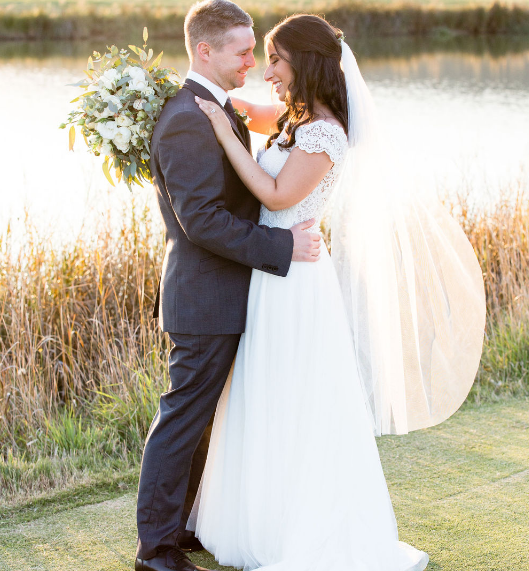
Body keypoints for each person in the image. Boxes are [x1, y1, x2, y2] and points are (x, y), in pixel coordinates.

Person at [191, 12, 485, 571]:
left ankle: (307, 529)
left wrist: (225, 137)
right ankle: (259, 519)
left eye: (275, 59)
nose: (268, 71)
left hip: (295, 282)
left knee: (295, 395)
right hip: (272, 270)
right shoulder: (294, 120)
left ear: (304, 61)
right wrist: (203, 98)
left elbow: (278, 196)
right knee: (263, 388)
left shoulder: (325, 131)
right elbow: (248, 111)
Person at [134, 2, 322, 570]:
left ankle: (184, 525)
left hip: (225, 296)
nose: (251, 61)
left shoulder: (213, 106)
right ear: (204, 51)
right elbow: (203, 220)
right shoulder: (190, 118)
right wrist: (282, 247)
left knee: (202, 424)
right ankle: (156, 549)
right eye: (243, 51)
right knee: (182, 420)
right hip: (204, 297)